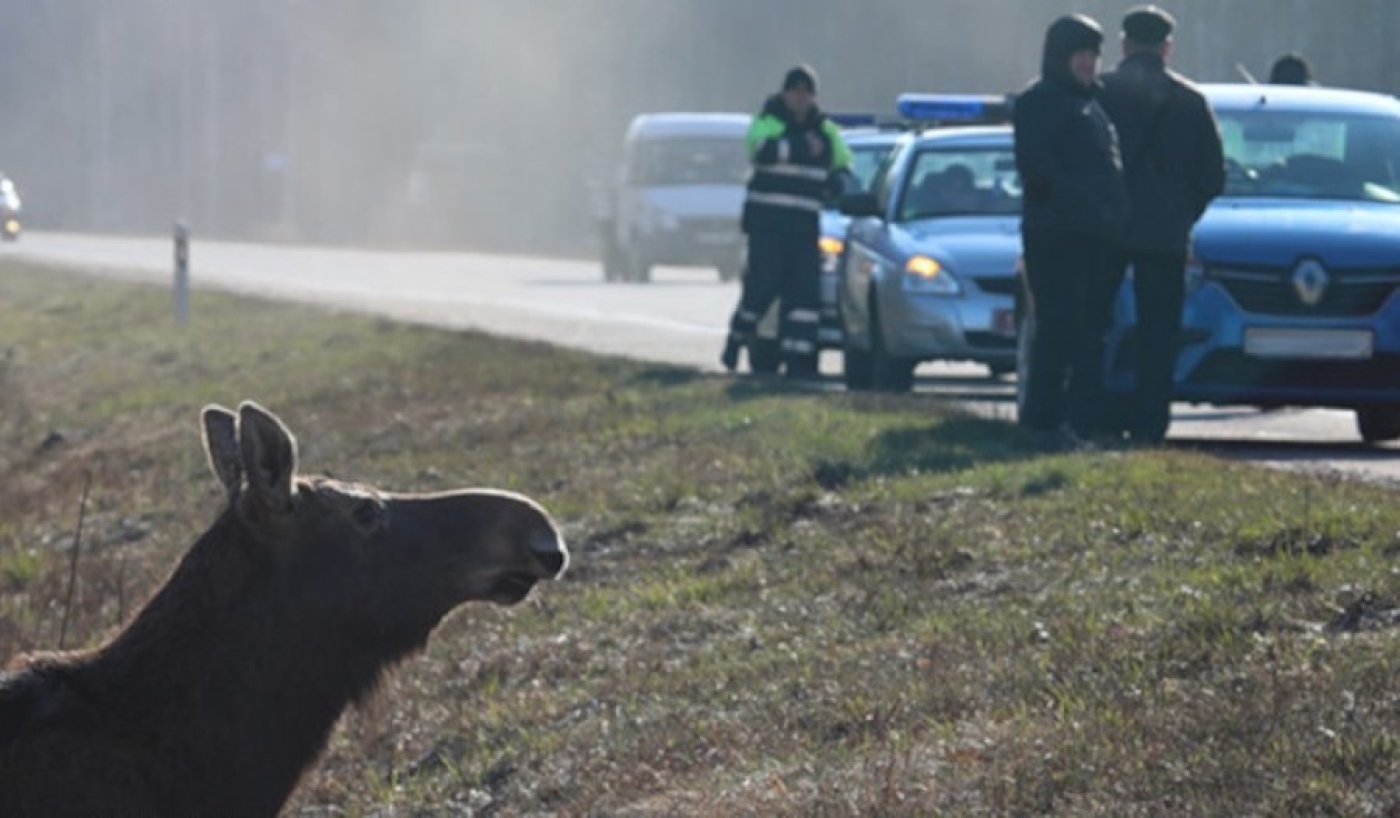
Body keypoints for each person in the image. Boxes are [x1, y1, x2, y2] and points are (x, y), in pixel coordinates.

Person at [1099, 5, 1226, 443]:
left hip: (1106, 230)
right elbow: (1213, 176)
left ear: (1124, 44)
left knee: (1095, 324)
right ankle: (1151, 422)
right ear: (1167, 48)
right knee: (1160, 332)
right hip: (1166, 235)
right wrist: (1183, 212)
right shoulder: (1190, 101)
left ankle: (1095, 412)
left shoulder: (1101, 93)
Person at [1013, 14, 1130, 447]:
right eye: (1080, 54)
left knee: (1089, 335)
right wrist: (1085, 200)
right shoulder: (1039, 102)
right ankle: (1044, 422)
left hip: (1096, 239)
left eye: (1093, 55)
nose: (1088, 63)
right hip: (1057, 236)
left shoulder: (1093, 106)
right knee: (1057, 331)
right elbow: (1039, 169)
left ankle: (1081, 423)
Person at [721, 64, 852, 378]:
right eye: (794, 91)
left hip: (804, 228)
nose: (800, 97)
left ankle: (798, 362)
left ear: (814, 96)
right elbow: (761, 150)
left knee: (804, 297)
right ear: (784, 93)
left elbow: (842, 166)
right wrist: (803, 147)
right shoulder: (768, 120)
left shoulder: (826, 131)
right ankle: (736, 338)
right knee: (761, 290)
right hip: (767, 227)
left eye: (806, 92)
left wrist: (834, 182)